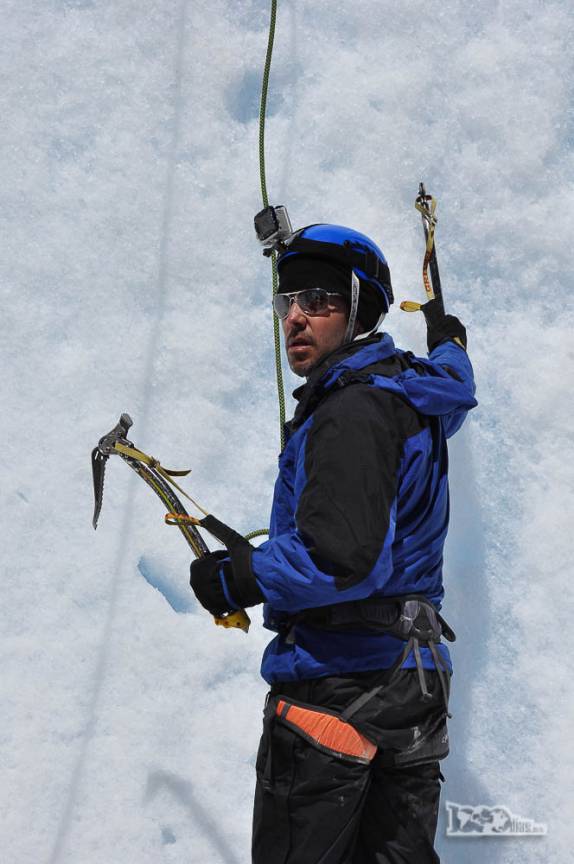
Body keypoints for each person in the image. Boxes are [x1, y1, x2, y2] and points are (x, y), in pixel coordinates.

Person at [190, 222, 477, 864]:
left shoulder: (350, 411)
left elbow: (338, 558)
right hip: (414, 688)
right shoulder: (415, 391)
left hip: (340, 684)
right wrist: (449, 340)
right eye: (286, 302)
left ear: (360, 310)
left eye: (318, 301)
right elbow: (457, 385)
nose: (295, 317)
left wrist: (240, 579)